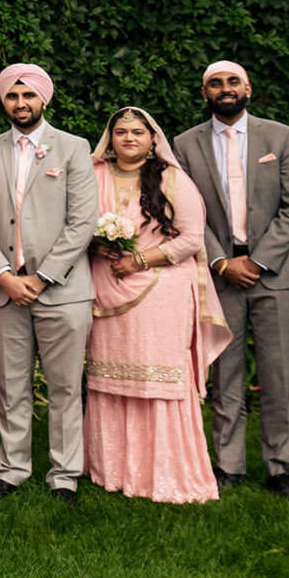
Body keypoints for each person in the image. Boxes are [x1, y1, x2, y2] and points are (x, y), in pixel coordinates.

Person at [171, 61, 289, 496]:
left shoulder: (280, 137)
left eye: (233, 82)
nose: (225, 89)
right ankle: (228, 463)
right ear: (204, 92)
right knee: (225, 373)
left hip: (275, 274)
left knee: (277, 370)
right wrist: (220, 261)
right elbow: (186, 207)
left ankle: (280, 466)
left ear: (248, 88)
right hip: (219, 275)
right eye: (216, 83)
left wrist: (260, 260)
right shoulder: (185, 143)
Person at [83, 106, 231, 503]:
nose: (129, 138)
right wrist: (96, 243)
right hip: (105, 289)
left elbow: (191, 238)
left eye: (137, 132)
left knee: (159, 381)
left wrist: (140, 259)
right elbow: (75, 225)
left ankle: (167, 473)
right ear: (109, 139)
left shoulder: (172, 179)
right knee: (111, 380)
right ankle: (111, 469)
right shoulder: (92, 176)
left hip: (162, 293)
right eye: (120, 132)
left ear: (153, 140)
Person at [0, 63, 98, 502]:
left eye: (28, 96)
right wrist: (3, 275)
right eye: (12, 96)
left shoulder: (74, 148)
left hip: (62, 291)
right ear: (3, 100)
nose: (20, 104)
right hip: (6, 292)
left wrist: (41, 279)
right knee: (11, 386)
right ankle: (12, 469)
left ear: (45, 99)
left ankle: (64, 475)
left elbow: (82, 222)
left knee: (64, 387)